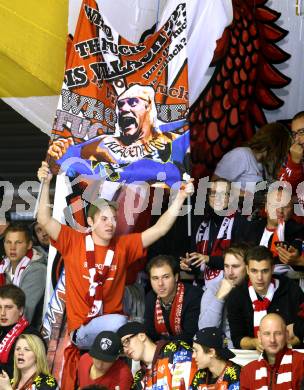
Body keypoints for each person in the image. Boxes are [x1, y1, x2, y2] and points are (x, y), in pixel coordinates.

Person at [37, 160, 194, 349]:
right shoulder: (73, 240)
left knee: (131, 330)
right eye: (104, 219)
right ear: (90, 222)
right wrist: (45, 183)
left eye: (113, 219)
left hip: (112, 334)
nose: (110, 224)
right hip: (84, 331)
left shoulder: (123, 246)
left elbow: (160, 229)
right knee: (125, 325)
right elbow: (44, 219)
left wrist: (180, 197)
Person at [47, 84, 190, 186]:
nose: (125, 109)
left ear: (149, 107)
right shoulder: (103, 144)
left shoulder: (174, 140)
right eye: (121, 105)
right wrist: (58, 154)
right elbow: (61, 165)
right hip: (112, 213)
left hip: (162, 211)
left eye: (133, 102)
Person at [226, 245, 304, 350]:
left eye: (265, 271)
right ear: (247, 270)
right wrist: (255, 343)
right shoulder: (237, 296)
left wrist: (285, 346)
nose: (259, 277)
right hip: (253, 355)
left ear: (272, 269)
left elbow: (301, 331)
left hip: (289, 352)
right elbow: (237, 339)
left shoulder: (291, 289)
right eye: (254, 271)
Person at [180, 179, 250, 287]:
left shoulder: (241, 222)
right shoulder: (201, 223)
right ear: (208, 197)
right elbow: (196, 260)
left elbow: (241, 259)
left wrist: (208, 259)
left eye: (223, 193)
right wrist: (189, 264)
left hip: (232, 286)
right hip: (201, 285)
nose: (217, 197)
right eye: (213, 193)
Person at [213, 122, 291, 192]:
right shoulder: (242, 154)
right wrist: (245, 195)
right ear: (275, 146)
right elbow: (214, 184)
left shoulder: (263, 166)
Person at [117, 321, 196, 389]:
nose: (125, 350)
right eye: (122, 349)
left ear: (142, 336)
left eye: (126, 342)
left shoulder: (175, 350)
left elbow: (185, 385)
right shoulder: (139, 378)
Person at [144, 255, 202, 344]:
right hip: (162, 350)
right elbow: (150, 333)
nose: (160, 283)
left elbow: (190, 335)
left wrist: (161, 344)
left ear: (176, 277)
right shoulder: (150, 297)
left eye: (166, 277)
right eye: (155, 278)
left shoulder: (193, 295)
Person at [198, 244, 248, 347]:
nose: (230, 272)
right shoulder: (213, 289)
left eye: (235, 266)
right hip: (222, 353)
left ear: (247, 267)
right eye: (226, 266)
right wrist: (219, 297)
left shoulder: (253, 289)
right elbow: (205, 332)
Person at [240, 313, 304, 389]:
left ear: (286, 335)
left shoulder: (301, 363)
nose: (272, 340)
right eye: (267, 334)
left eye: (278, 333)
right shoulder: (248, 371)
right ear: (259, 337)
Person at [1, 223, 47, 327]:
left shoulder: (37, 270)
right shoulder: (3, 267)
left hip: (27, 336)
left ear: (29, 245)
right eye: (8, 242)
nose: (12, 247)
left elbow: (24, 314)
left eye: (18, 243)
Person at [0, 285, 43, 378]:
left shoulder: (30, 336)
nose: (2, 313)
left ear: (21, 310)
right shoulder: (2, 331)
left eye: (8, 307)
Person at [279, 111, 304, 193]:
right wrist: (294, 164)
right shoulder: (294, 156)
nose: (297, 139)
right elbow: (282, 191)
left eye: (301, 132)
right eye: (294, 134)